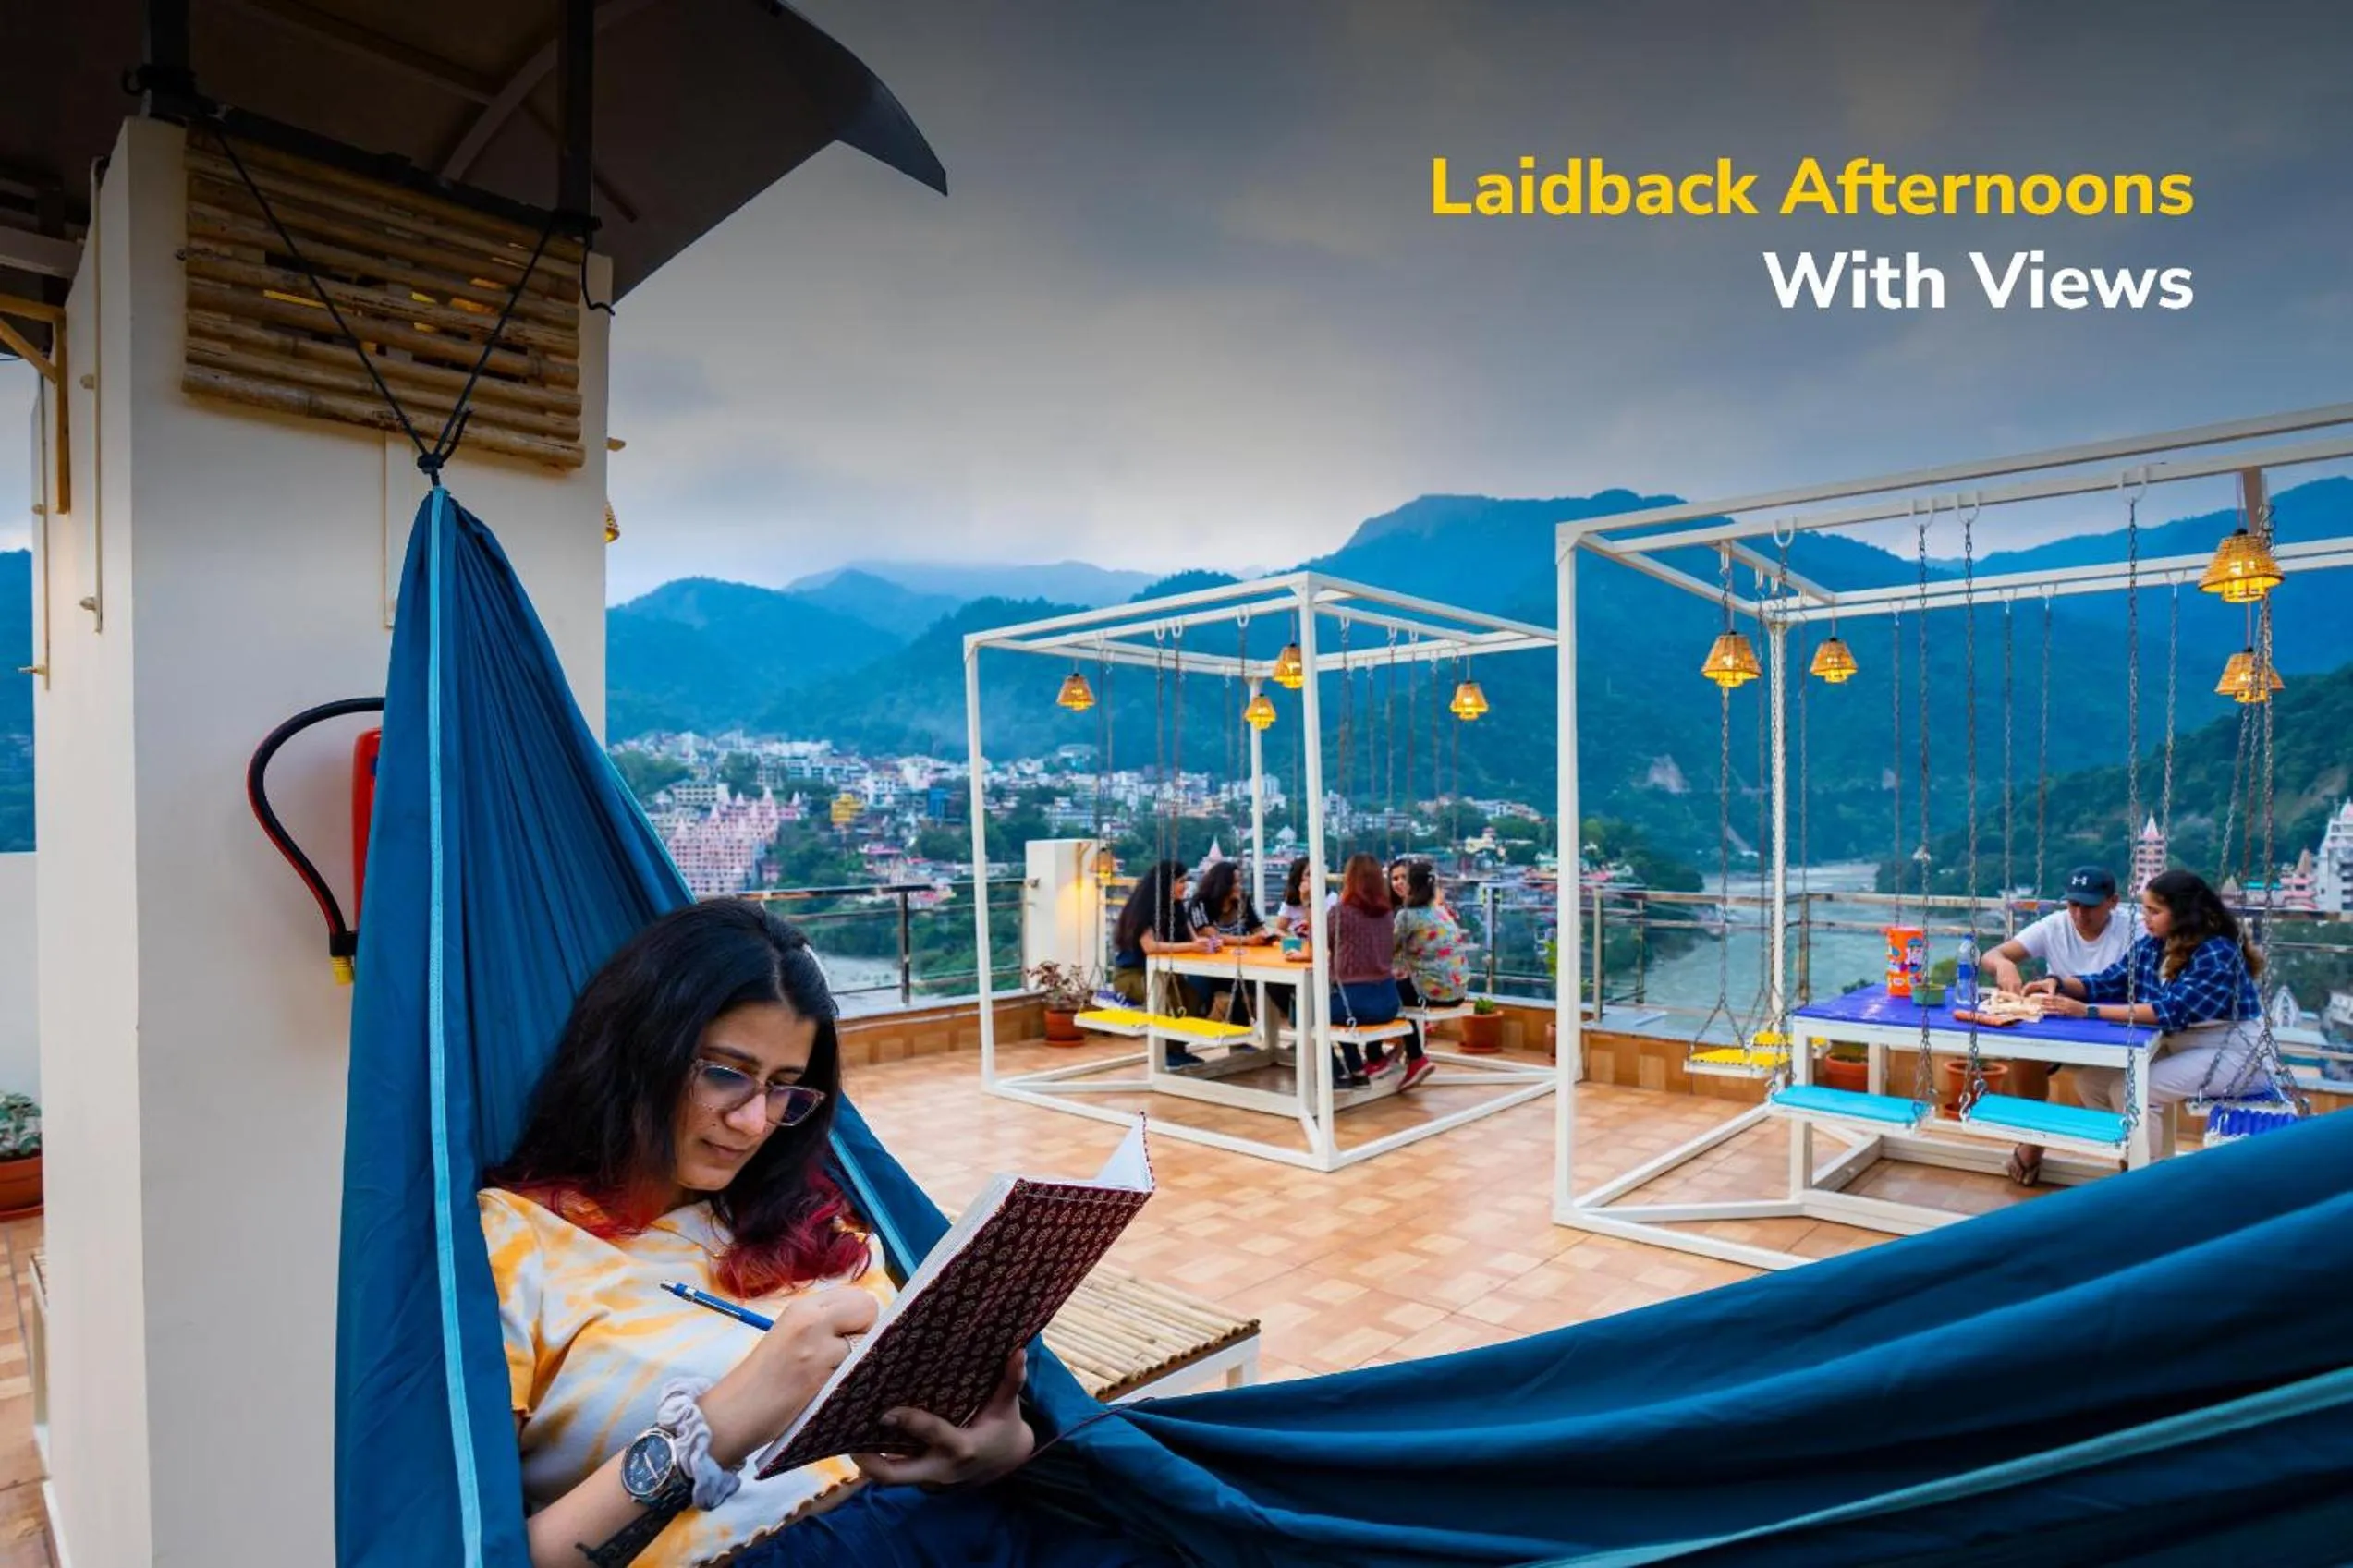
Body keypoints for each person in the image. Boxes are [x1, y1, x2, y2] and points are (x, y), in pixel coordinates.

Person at [481, 900, 1167, 1568]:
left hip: (956, 1523)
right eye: (725, 1072)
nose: (754, 1122)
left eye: (784, 1087)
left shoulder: (808, 1215)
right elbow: (484, 1551)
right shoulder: (514, 1243)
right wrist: (718, 1424)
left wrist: (997, 1445)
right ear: (634, 1050)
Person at [2030, 868, 2272, 1159]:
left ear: (2182, 913)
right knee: (2090, 1082)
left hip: (2233, 1053)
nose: (2146, 918)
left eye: (2154, 911)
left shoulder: (2216, 952)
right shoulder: (2155, 945)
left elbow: (2173, 1010)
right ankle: (2130, 1160)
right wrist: (2059, 984)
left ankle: (2150, 1175)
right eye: (2145, 909)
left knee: (2133, 1089)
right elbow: (2112, 979)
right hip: (2180, 1044)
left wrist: (2087, 1011)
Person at [1980, 866, 2141, 1185]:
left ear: (2113, 902)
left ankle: (2132, 1153)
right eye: (2073, 905)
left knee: (2123, 1082)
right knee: (2024, 1051)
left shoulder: (2135, 930)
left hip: (2113, 1021)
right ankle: (2034, 1135)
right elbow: (1993, 954)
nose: (2080, 914)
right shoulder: (2055, 926)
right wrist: (2004, 965)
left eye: (2090, 906)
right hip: (2063, 1020)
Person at [1109, 859, 1215, 1067]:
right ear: (1166, 884)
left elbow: (1192, 940)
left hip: (1164, 972)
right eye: (1181, 882)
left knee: (1194, 996)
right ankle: (1168, 1052)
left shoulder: (1177, 908)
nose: (1185, 886)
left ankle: (1178, 1048)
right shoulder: (1144, 910)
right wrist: (1192, 947)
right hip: (1134, 974)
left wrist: (1206, 944)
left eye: (1186, 881)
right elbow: (1149, 946)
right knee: (1169, 999)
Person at [1379, 860, 1468, 1090]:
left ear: (1412, 885)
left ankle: (1409, 1058)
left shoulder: (1407, 916)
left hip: (1432, 991)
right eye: (1394, 878)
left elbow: (1385, 953)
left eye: (1403, 879)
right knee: (1399, 986)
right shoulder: (1439, 911)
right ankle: (1403, 1053)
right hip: (1458, 990)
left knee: (1381, 993)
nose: (1398, 883)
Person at [1325, 852, 1402, 1088]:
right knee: (1338, 1011)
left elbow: (1317, 944)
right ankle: (1355, 1066)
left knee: (1305, 1012)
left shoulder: (1339, 913)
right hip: (1388, 1002)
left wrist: (1308, 902)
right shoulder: (1388, 914)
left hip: (1356, 1003)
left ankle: (1342, 1071)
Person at [1182, 860, 1275, 1027]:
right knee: (1200, 993)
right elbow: (1210, 934)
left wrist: (1270, 936)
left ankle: (1241, 1034)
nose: (1239, 886)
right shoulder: (1201, 902)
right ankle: (1184, 1037)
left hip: (1238, 962)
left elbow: (1257, 927)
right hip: (1207, 965)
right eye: (1235, 882)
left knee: (1259, 985)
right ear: (1223, 884)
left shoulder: (1243, 902)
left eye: (1240, 881)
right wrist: (1248, 941)